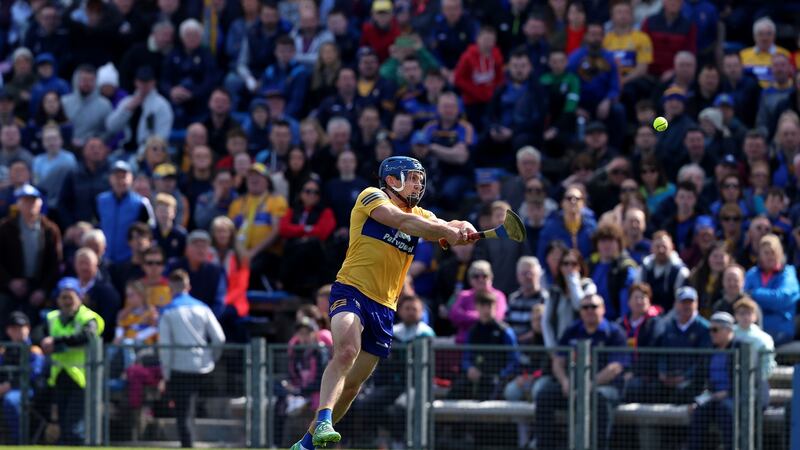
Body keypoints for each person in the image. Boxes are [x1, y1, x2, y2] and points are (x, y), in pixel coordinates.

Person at [289, 156, 475, 450]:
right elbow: (402, 221)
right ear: (391, 179)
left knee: (352, 386)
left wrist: (462, 226)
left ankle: (306, 445)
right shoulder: (372, 197)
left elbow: (441, 224)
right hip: (351, 290)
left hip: (385, 308)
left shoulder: (421, 215)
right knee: (346, 351)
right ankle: (323, 419)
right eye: (412, 178)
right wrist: (446, 232)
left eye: (420, 179)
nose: (418, 184)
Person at [533, 293, 627, 450]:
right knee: (544, 395)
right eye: (585, 307)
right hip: (574, 387)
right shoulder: (573, 330)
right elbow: (558, 361)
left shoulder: (615, 332)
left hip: (605, 387)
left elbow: (615, 367)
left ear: (603, 309)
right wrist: (564, 381)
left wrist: (589, 385)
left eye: (594, 307)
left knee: (600, 399)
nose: (589, 310)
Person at [159, 269, 225, 448]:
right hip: (204, 368)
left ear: (170, 288)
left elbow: (165, 347)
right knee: (192, 408)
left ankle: (188, 445)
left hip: (179, 369)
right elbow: (219, 338)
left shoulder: (167, 312)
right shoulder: (203, 308)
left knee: (183, 414)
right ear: (188, 286)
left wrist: (166, 375)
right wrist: (211, 359)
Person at [40, 278, 105, 445]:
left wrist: (57, 342)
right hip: (59, 375)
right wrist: (44, 341)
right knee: (63, 425)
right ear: (58, 300)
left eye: (70, 297)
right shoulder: (52, 317)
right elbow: (38, 334)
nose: (67, 302)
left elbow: (86, 336)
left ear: (80, 298)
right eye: (63, 297)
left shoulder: (88, 317)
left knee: (74, 428)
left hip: (83, 378)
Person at [687, 311, 756, 450]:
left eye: (715, 330)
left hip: (735, 396)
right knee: (698, 412)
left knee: (724, 410)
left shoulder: (742, 348)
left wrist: (727, 392)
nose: (711, 333)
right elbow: (699, 378)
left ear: (728, 330)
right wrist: (695, 400)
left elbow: (749, 380)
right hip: (713, 396)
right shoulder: (710, 350)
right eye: (710, 330)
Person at [0, 184, 62, 324]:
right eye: (26, 201)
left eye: (33, 201)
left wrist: (43, 289)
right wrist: (9, 282)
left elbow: (55, 263)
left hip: (37, 288)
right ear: (18, 204)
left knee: (37, 325)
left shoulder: (50, 229)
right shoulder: (5, 228)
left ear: (40, 203)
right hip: (8, 288)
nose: (30, 205)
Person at [448, 291, 519, 401]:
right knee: (455, 392)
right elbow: (466, 356)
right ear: (477, 307)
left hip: (495, 378)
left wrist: (501, 374)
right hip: (475, 375)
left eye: (490, 306)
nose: (486, 310)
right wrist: (469, 368)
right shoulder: (472, 331)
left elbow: (514, 360)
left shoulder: (505, 331)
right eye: (483, 306)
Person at [227, 162, 288, 290]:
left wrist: (252, 253)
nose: (253, 179)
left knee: (253, 269)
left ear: (267, 181)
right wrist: (242, 252)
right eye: (250, 176)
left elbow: (276, 231)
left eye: (258, 176)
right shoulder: (237, 203)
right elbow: (230, 230)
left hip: (267, 253)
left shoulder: (276, 201)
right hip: (240, 252)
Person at [743, 234, 799, 346]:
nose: (770, 256)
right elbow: (743, 299)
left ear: (780, 253)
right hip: (753, 327)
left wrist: (754, 294)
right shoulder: (752, 273)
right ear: (760, 255)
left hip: (780, 329)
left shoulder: (788, 273)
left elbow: (782, 298)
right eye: (766, 253)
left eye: (773, 252)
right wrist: (768, 300)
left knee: (759, 343)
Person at [105, 66, 174, 154]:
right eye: (141, 81)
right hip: (125, 151)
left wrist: (141, 155)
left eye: (147, 82)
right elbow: (111, 127)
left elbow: (161, 137)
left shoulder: (162, 106)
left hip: (149, 154)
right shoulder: (127, 102)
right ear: (136, 82)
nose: (144, 85)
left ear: (153, 82)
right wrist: (127, 110)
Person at [0, 311, 45, 444]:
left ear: (28, 328)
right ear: (8, 331)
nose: (18, 331)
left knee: (10, 400)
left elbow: (34, 373)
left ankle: (18, 441)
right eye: (14, 328)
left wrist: (9, 385)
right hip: (5, 388)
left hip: (27, 390)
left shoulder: (34, 350)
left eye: (21, 327)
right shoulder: (4, 350)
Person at [97, 161, 153, 263]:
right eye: (117, 177)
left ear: (131, 179)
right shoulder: (101, 200)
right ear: (110, 179)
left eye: (124, 176)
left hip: (130, 259)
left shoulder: (140, 203)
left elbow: (149, 230)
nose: (120, 181)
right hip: (103, 258)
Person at [542, 249, 597, 347]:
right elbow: (546, 321)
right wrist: (551, 348)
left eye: (574, 264)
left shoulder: (588, 286)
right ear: (560, 267)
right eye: (565, 263)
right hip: (560, 347)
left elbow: (579, 305)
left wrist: (573, 281)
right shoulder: (554, 291)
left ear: (580, 266)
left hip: (582, 346)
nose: (569, 267)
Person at [449, 259, 508, 344]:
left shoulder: (498, 296)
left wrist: (467, 315)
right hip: (465, 343)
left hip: (491, 343)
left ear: (491, 277)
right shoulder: (463, 295)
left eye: (485, 276)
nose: (480, 279)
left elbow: (498, 317)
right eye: (476, 276)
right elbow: (454, 316)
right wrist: (482, 316)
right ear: (470, 279)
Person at [588, 223, 638, 321]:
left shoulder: (625, 268)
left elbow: (626, 302)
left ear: (619, 244)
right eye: (603, 241)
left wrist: (623, 323)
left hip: (616, 322)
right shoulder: (590, 266)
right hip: (591, 322)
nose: (607, 245)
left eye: (611, 241)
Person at [537, 184, 597, 261]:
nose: (573, 201)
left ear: (583, 204)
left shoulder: (592, 227)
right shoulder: (550, 228)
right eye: (569, 198)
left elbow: (597, 253)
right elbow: (542, 256)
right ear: (562, 203)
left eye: (577, 198)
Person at [637, 231, 691, 311]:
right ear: (651, 248)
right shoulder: (643, 269)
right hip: (646, 314)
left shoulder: (681, 272)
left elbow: (680, 303)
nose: (661, 250)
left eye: (664, 247)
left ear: (672, 247)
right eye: (657, 247)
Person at [505, 256, 548, 341]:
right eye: (524, 273)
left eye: (531, 273)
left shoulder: (545, 298)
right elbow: (507, 324)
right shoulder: (513, 299)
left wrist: (518, 340)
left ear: (539, 275)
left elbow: (542, 328)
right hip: (513, 346)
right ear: (518, 276)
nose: (528, 277)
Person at [732, 297, 775, 380]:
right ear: (736, 315)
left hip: (757, 381)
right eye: (742, 313)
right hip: (731, 380)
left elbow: (768, 364)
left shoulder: (764, 338)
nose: (745, 317)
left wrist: (759, 380)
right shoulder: (728, 334)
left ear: (755, 316)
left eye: (749, 313)